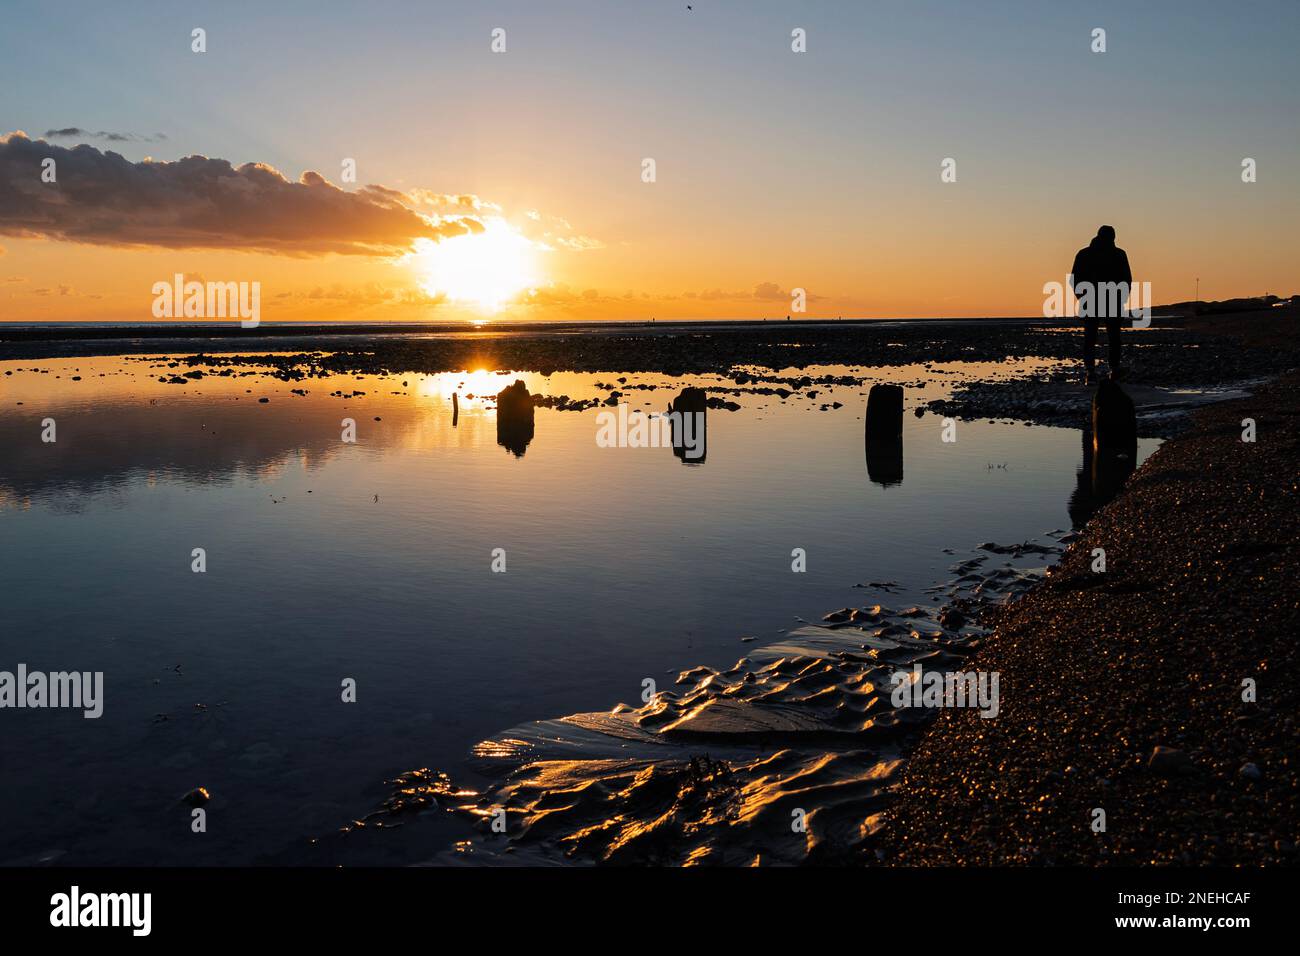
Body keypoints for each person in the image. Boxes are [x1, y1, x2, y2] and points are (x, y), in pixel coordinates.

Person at [1071, 225, 1132, 384]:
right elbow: (1127, 279)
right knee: (1112, 337)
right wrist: (1122, 298)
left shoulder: (1084, 254)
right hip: (1110, 300)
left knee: (1091, 337)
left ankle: (1091, 372)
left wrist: (1081, 297)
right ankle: (1112, 370)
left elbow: (1075, 279)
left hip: (1095, 300)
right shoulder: (1118, 254)